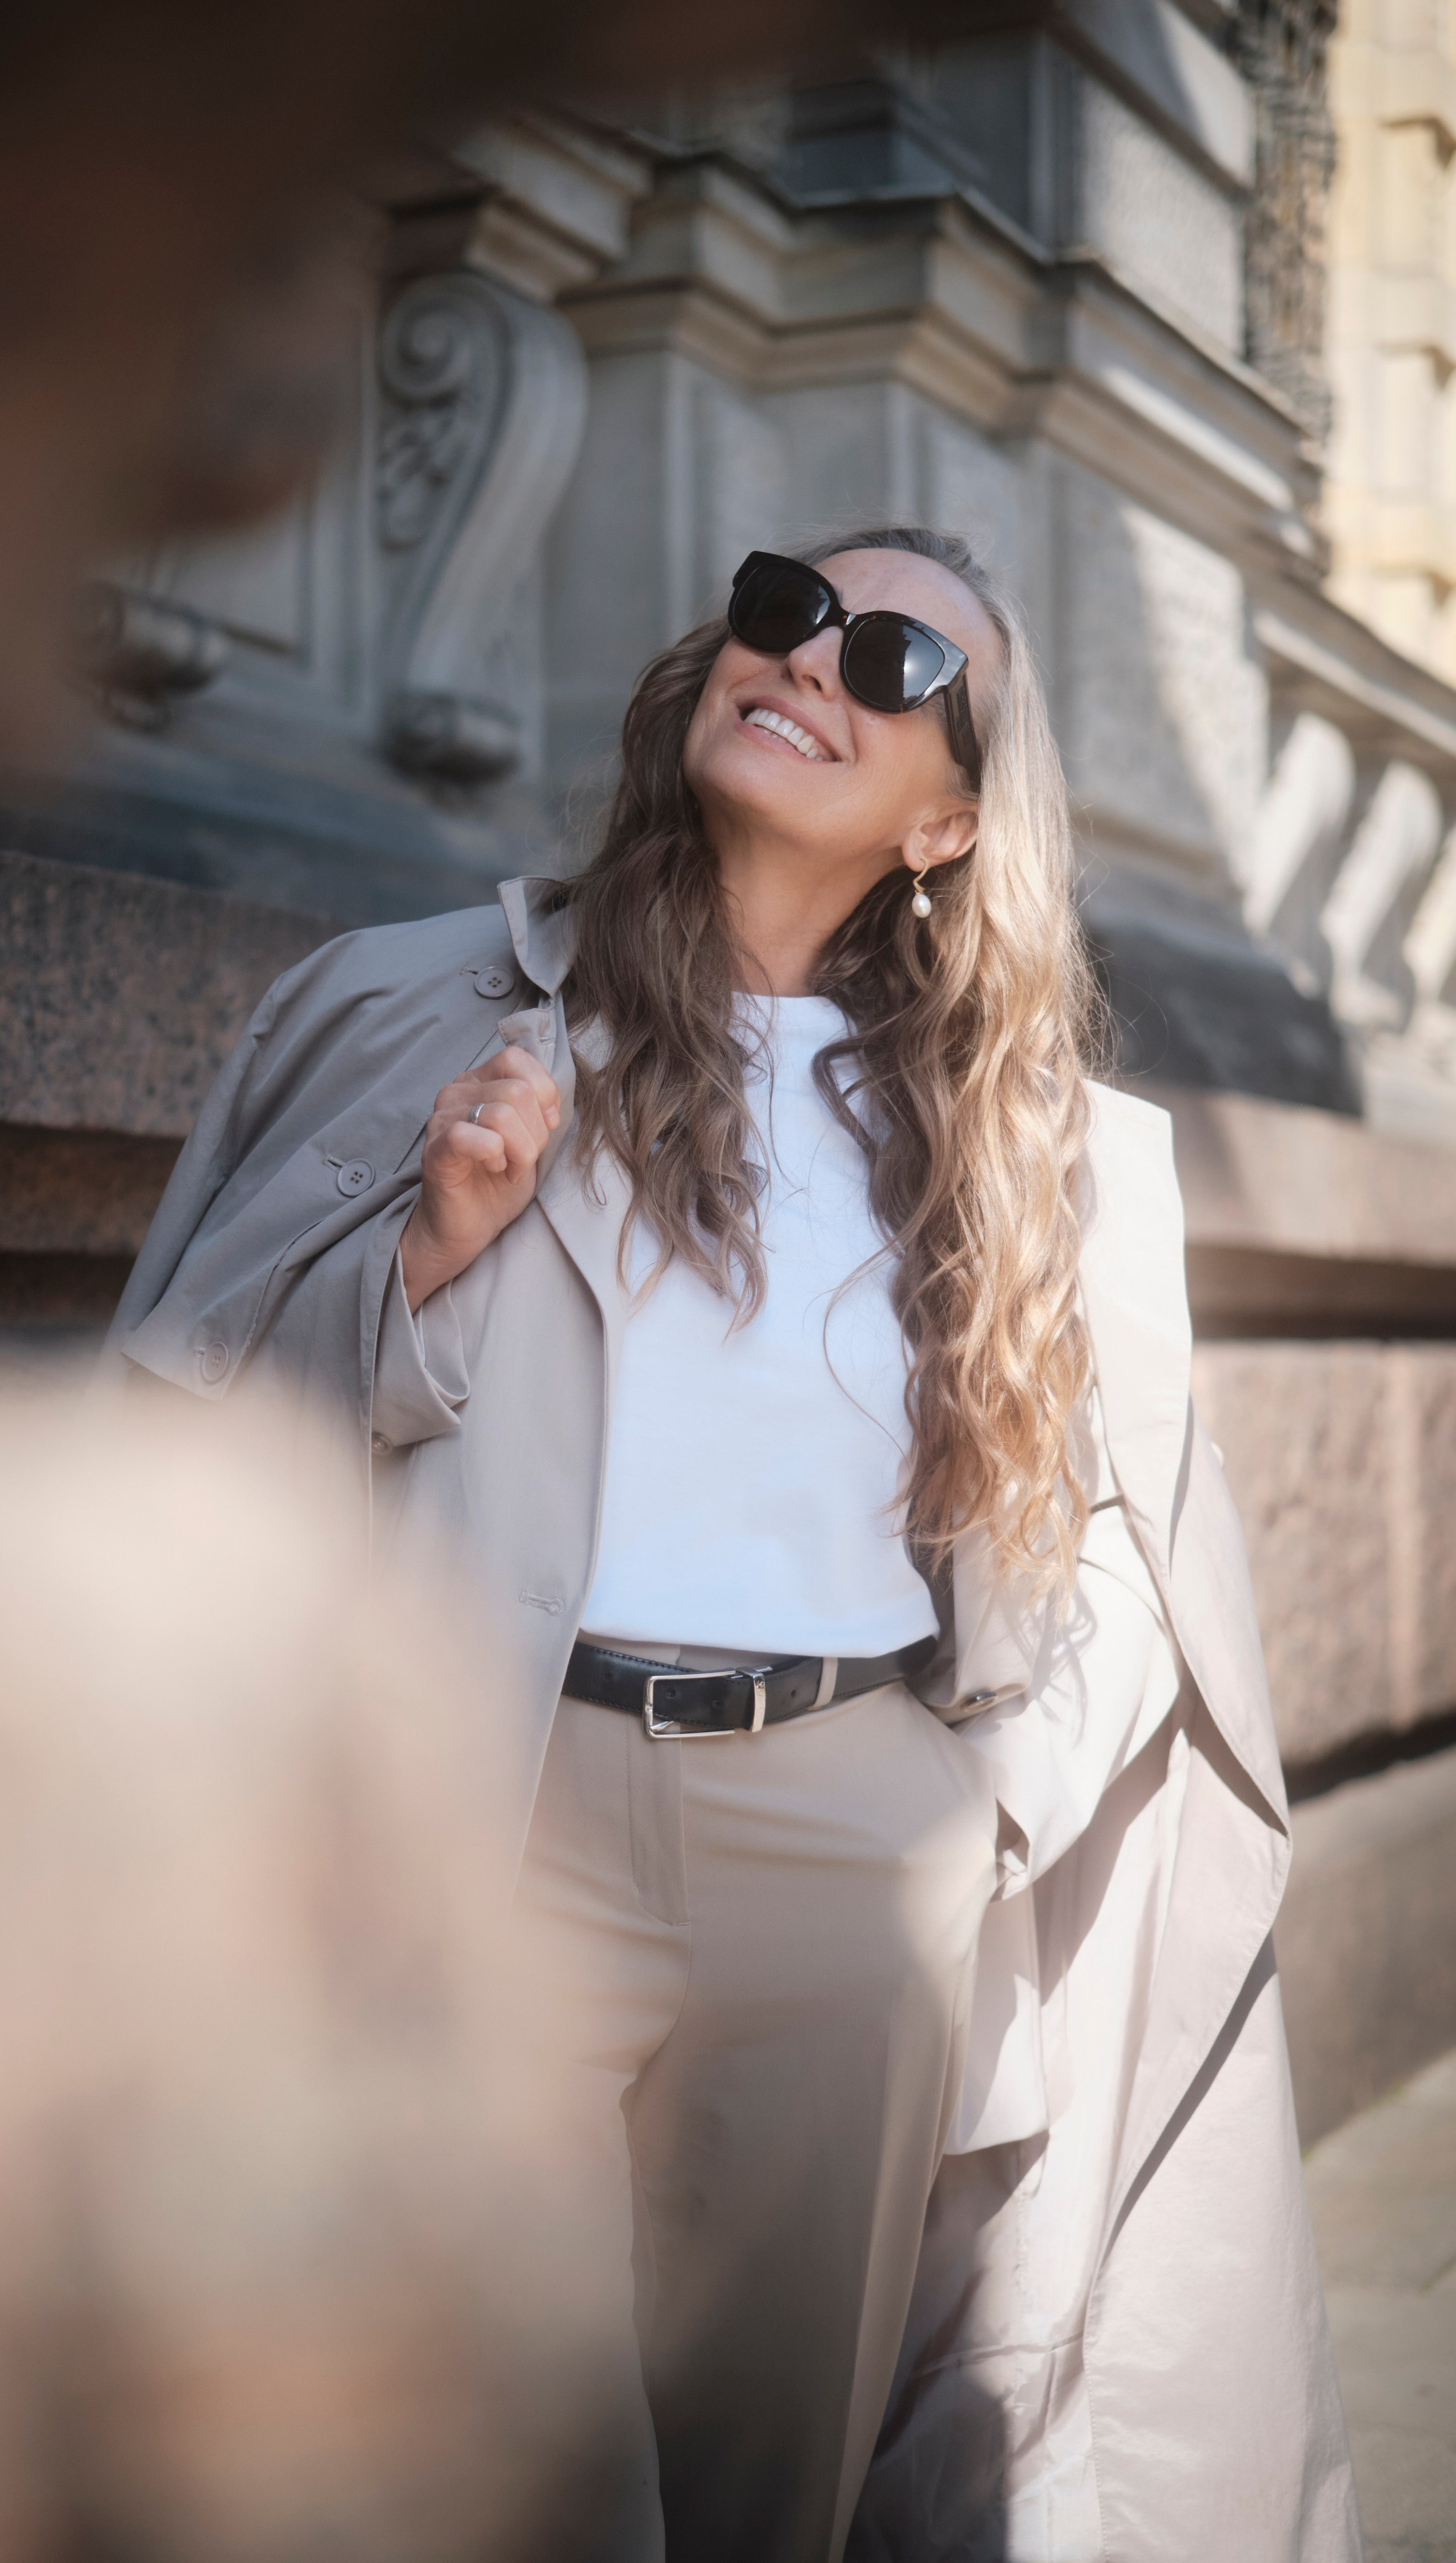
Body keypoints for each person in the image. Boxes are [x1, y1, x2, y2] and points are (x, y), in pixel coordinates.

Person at [103, 527, 1361, 2562]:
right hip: (506, 1819)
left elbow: (1109, 1547)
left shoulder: (1029, 1144)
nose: (813, 662)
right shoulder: (421, 1004)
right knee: (499, 2462)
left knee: (783, 2477)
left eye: (889, 659)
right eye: (787, 609)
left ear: (952, 817)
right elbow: (189, 1439)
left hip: (855, 1850)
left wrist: (968, 1814)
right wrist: (427, 1258)